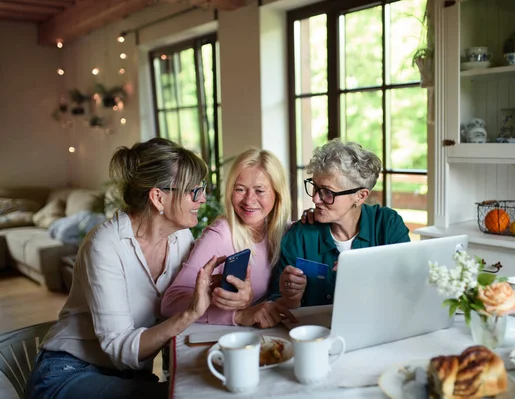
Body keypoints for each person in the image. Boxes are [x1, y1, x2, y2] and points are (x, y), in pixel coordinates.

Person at [26, 138, 224, 399]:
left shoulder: (181, 238)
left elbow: (188, 298)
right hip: (68, 371)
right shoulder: (105, 245)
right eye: (194, 191)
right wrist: (188, 314)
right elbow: (119, 348)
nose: (202, 199)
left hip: (129, 375)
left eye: (202, 188)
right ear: (158, 197)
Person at [162, 148, 295, 328]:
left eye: (259, 191)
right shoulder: (219, 235)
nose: (249, 200)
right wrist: (237, 315)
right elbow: (170, 302)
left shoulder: (284, 231)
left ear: (277, 194)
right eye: (240, 189)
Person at [270, 139, 411, 308]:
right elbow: (279, 305)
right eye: (314, 187)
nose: (315, 199)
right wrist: (291, 298)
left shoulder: (388, 225)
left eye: (327, 192)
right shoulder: (300, 235)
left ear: (360, 196)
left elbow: (408, 288)